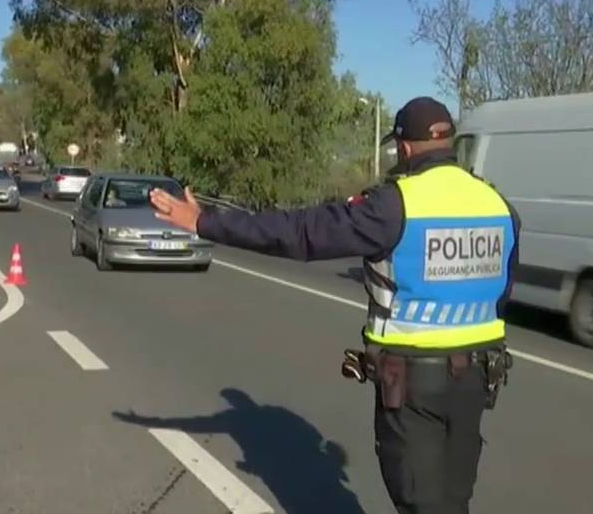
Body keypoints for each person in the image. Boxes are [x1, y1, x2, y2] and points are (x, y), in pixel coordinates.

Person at [149, 96, 520, 514]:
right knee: (454, 500)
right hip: (477, 380)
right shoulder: (497, 205)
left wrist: (204, 221)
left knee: (421, 502)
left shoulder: (393, 205)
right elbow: (502, 290)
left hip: (414, 383)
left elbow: (298, 233)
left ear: (404, 148)